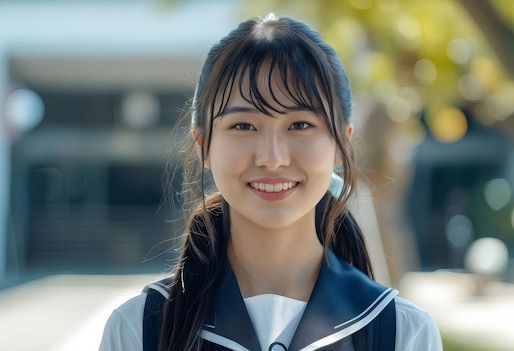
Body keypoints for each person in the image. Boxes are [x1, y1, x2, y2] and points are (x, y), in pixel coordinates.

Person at [99, 13, 442, 351]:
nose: (273, 158)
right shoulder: (139, 330)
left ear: (341, 144)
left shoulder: (402, 333)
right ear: (203, 145)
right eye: (244, 126)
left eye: (300, 125)